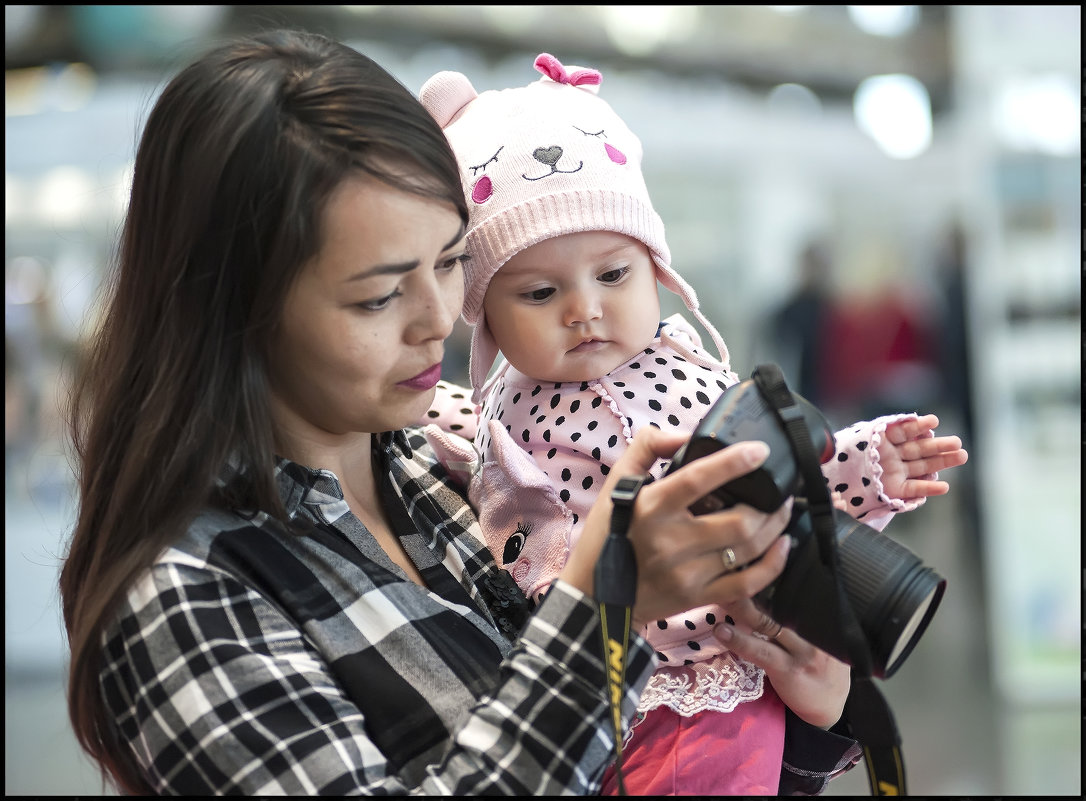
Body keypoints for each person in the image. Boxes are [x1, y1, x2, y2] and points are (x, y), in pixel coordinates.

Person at [53, 30, 868, 796]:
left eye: (453, 264)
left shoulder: (449, 450)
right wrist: (606, 609)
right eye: (378, 296)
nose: (438, 319)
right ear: (232, 308)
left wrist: (811, 716)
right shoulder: (186, 598)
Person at [418, 53, 968, 795]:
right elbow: (518, 540)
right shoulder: (500, 419)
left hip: (737, 683)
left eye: (614, 275)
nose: (584, 309)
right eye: (541, 291)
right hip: (608, 698)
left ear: (657, 272)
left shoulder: (688, 374)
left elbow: (776, 477)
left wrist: (868, 461)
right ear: (482, 314)